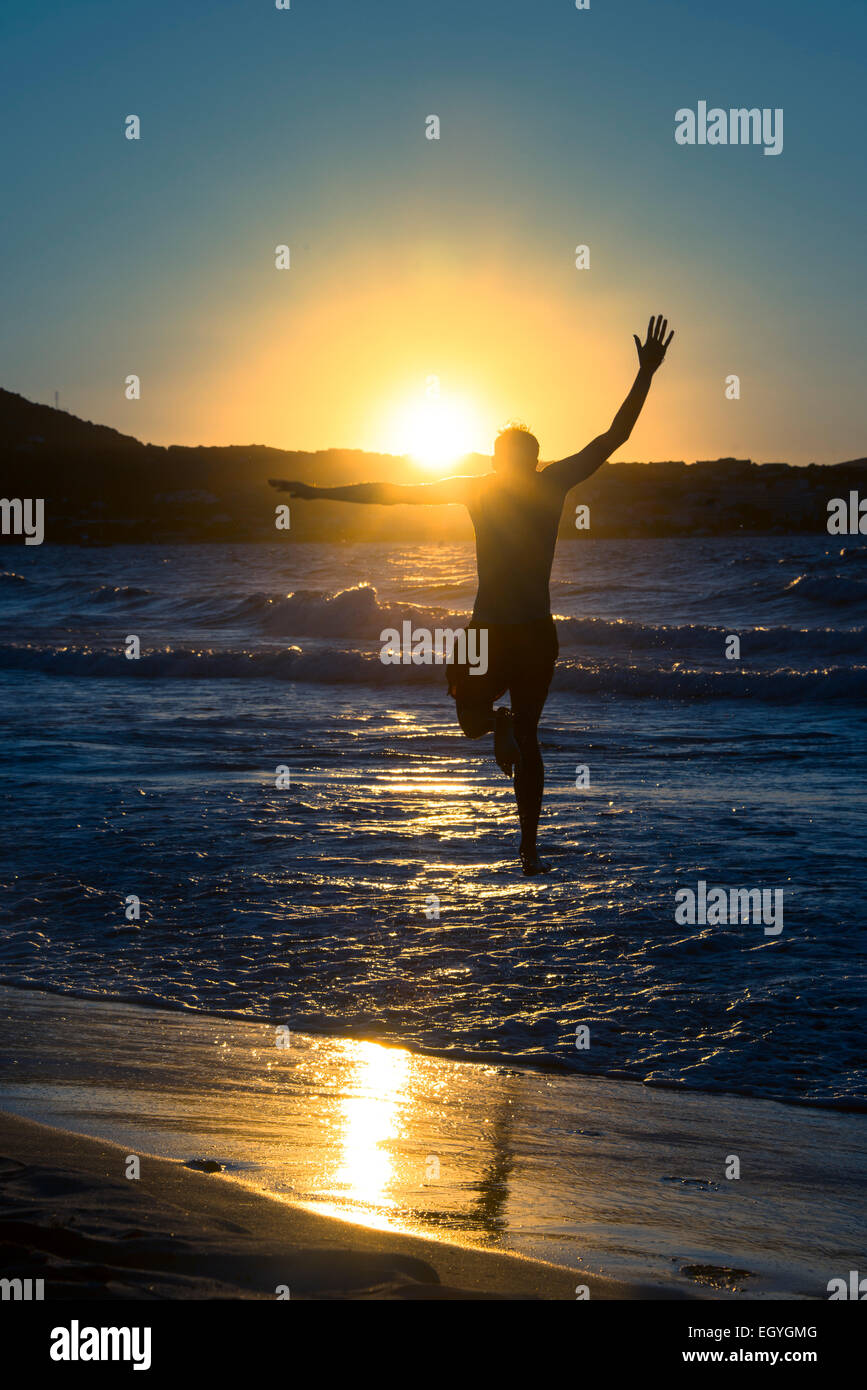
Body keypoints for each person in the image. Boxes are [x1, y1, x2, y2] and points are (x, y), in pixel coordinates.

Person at [270, 314, 674, 874]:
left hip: (491, 630)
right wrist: (645, 373)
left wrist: (317, 494)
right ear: (527, 460)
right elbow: (614, 436)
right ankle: (528, 849)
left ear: (502, 461)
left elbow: (393, 494)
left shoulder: (481, 491)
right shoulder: (550, 483)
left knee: (471, 719)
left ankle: (517, 795)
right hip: (533, 630)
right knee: (525, 738)